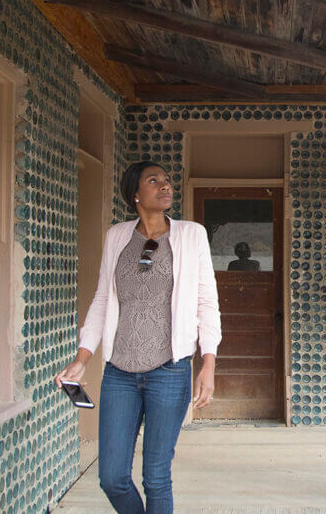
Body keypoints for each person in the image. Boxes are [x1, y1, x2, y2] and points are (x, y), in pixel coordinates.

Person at [55, 160, 221, 514]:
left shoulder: (192, 235)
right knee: (112, 477)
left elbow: (207, 301)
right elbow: (102, 299)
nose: (165, 186)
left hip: (170, 370)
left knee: (156, 478)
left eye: (166, 181)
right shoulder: (117, 236)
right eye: (153, 181)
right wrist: (82, 359)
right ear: (135, 194)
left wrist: (208, 363)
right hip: (119, 372)